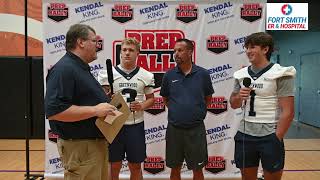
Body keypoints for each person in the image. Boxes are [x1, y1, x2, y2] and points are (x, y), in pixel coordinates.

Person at [44, 24, 116, 180]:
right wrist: (95, 110)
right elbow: (54, 111)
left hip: (92, 147)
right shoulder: (64, 69)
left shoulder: (80, 68)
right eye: (94, 41)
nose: (98, 45)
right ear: (81, 42)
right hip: (81, 148)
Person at [229, 32, 296, 180]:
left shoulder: (281, 73)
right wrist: (239, 95)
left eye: (252, 47)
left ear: (265, 49)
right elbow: (233, 104)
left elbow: (288, 111)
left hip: (270, 134)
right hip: (245, 133)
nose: (247, 51)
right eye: (246, 47)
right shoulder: (241, 74)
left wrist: (276, 137)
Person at [98, 38, 155, 180]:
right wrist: (106, 98)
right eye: (124, 50)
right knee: (114, 164)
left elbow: (151, 99)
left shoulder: (146, 75)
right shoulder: (106, 74)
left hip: (135, 125)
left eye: (131, 50)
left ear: (138, 53)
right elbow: (100, 99)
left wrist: (142, 105)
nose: (127, 53)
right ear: (120, 53)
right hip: (114, 124)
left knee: (135, 166)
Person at [160, 38, 214, 180]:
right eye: (174, 51)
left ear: (190, 52)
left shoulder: (203, 74)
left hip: (196, 130)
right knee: (175, 168)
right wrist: (178, 111)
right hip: (174, 129)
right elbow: (165, 99)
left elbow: (208, 98)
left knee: (197, 169)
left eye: (180, 50)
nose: (176, 54)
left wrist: (196, 112)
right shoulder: (169, 75)